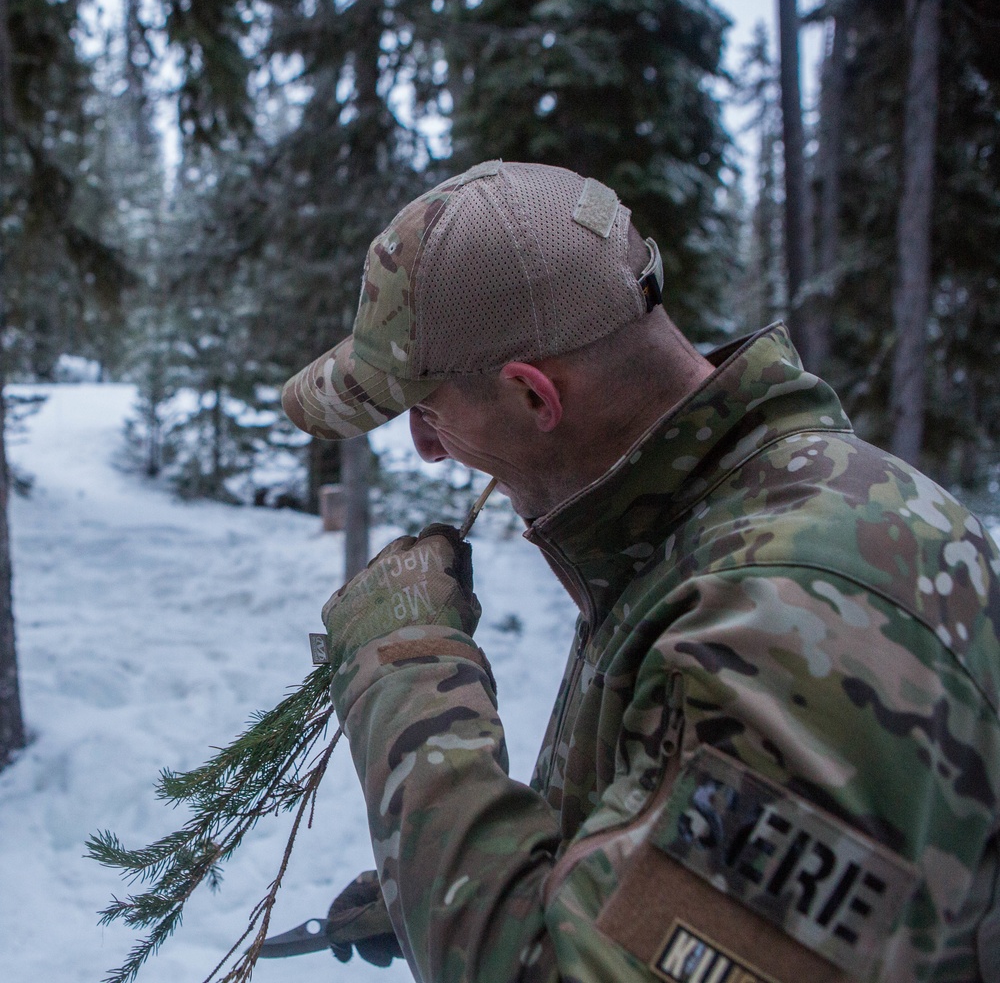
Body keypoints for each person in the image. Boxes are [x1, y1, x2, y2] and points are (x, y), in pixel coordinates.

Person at [277, 160, 1000, 982]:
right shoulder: (693, 528)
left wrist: (407, 670)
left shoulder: (801, 613)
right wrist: (466, 885)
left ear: (534, 397)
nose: (428, 448)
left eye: (430, 411)